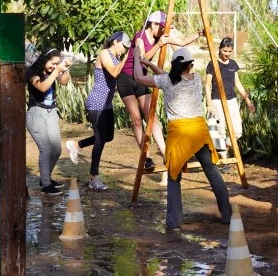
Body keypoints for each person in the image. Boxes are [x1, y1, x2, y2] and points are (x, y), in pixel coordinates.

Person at [133, 45, 231, 231]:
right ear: (190, 65)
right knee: (212, 172)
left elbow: (139, 78)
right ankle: (227, 214)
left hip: (179, 133)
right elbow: (168, 76)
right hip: (199, 132)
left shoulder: (167, 81)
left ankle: (174, 222)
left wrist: (137, 57)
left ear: (174, 65)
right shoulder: (196, 79)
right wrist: (149, 63)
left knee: (174, 177)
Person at [117, 11, 201, 171]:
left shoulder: (159, 37)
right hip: (126, 78)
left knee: (152, 117)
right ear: (153, 24)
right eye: (161, 27)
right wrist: (159, 44)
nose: (163, 30)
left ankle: (165, 154)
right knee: (136, 119)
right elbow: (142, 58)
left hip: (141, 78)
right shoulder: (140, 36)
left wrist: (199, 33)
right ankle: (146, 157)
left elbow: (181, 43)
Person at [65, 32, 131, 191]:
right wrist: (127, 57)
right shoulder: (104, 54)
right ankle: (94, 178)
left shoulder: (116, 57)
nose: (124, 49)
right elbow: (114, 72)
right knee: (100, 138)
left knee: (108, 136)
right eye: (124, 46)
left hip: (106, 103)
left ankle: (76, 145)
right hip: (96, 103)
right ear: (115, 42)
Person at [26, 48, 73, 195]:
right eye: (53, 63)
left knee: (56, 150)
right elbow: (42, 87)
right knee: (45, 149)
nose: (54, 66)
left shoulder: (53, 70)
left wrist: (66, 69)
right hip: (36, 114)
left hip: (51, 112)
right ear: (45, 60)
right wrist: (57, 70)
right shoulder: (32, 72)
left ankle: (45, 178)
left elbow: (64, 81)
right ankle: (46, 186)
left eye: (57, 63)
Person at [205, 37, 255, 159]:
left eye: (229, 51)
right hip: (217, 99)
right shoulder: (213, 64)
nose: (227, 54)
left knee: (237, 131)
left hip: (231, 99)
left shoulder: (233, 64)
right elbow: (207, 85)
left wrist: (247, 101)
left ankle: (225, 149)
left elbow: (237, 83)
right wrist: (209, 103)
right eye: (225, 51)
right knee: (221, 131)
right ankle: (224, 160)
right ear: (220, 49)